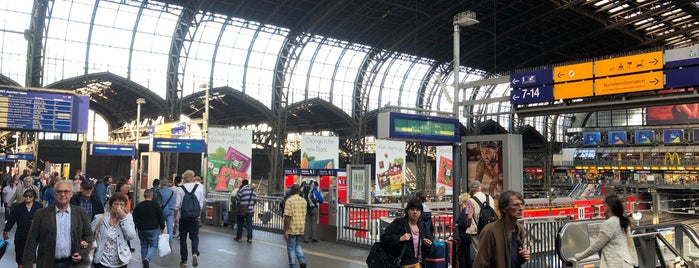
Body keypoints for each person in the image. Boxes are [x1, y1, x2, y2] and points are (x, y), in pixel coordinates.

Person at [22, 180, 93, 268]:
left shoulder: (81, 213)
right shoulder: (41, 214)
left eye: (66, 191)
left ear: (71, 194)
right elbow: (31, 242)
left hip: (73, 264)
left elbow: (89, 236)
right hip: (48, 263)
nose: (62, 194)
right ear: (54, 194)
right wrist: (27, 265)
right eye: (59, 192)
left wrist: (82, 254)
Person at [573, 194, 638, 267]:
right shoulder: (623, 222)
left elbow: (597, 245)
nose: (603, 206)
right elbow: (630, 244)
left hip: (615, 264)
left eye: (604, 204)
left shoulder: (609, 223)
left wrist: (579, 256)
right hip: (626, 263)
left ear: (609, 206)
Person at [473, 190, 530, 268]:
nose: (520, 208)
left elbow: (512, 259)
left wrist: (522, 257)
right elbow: (481, 263)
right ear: (504, 208)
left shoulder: (519, 230)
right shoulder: (490, 231)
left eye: (522, 204)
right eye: (516, 205)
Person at [380, 198, 435, 267]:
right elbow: (384, 237)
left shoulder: (423, 226)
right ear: (407, 211)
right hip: (402, 264)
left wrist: (429, 245)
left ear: (421, 213)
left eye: (418, 210)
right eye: (412, 209)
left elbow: (431, 248)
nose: (415, 212)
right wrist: (399, 238)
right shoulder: (399, 223)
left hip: (418, 264)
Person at [91, 192, 138, 268]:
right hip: (102, 261)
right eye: (116, 204)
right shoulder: (100, 218)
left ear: (125, 206)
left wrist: (123, 218)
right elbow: (90, 235)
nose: (118, 207)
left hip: (121, 261)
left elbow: (131, 236)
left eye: (121, 204)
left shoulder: (127, 217)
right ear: (111, 206)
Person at [3, 189, 43, 268]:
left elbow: (43, 219)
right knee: (20, 257)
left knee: (31, 258)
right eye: (26, 196)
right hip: (20, 236)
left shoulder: (38, 206)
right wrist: (6, 231)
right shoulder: (18, 207)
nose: (27, 197)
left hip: (33, 236)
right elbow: (11, 220)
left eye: (30, 196)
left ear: (34, 197)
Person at [175, 170, 205, 267]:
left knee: (183, 239)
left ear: (184, 178)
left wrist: (175, 217)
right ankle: (195, 253)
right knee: (195, 237)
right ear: (193, 177)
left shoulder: (180, 189)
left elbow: (177, 205)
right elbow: (200, 205)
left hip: (184, 218)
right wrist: (198, 216)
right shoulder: (199, 188)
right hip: (195, 218)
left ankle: (184, 260)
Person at [133, 189, 165, 268]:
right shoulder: (156, 205)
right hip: (153, 229)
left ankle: (144, 264)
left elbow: (134, 217)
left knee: (144, 245)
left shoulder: (139, 206)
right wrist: (162, 227)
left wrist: (136, 226)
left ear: (144, 196)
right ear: (152, 196)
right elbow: (161, 217)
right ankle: (147, 259)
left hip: (141, 229)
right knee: (154, 245)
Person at [467, 180, 495, 257]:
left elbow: (469, 217)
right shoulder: (489, 198)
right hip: (490, 228)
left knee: (479, 253)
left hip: (477, 231)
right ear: (480, 188)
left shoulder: (470, 201)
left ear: (471, 189)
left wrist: (468, 224)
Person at [284, 184, 308, 268]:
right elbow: (304, 214)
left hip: (292, 227)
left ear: (292, 191)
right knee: (298, 245)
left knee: (291, 247)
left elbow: (287, 216)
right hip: (301, 227)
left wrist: (286, 230)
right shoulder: (304, 201)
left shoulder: (289, 201)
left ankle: (293, 265)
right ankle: (302, 261)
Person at [455, 192, 474, 268]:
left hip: (464, 235)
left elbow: (463, 223)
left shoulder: (464, 210)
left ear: (463, 201)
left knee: (460, 253)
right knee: (467, 253)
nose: (459, 201)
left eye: (460, 199)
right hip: (468, 235)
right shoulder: (468, 209)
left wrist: (457, 225)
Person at [154, 178, 176, 244]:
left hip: (162, 211)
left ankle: (157, 240)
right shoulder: (172, 192)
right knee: (170, 228)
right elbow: (175, 201)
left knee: (159, 226)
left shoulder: (159, 192)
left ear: (161, 184)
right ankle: (170, 241)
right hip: (171, 210)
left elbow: (157, 202)